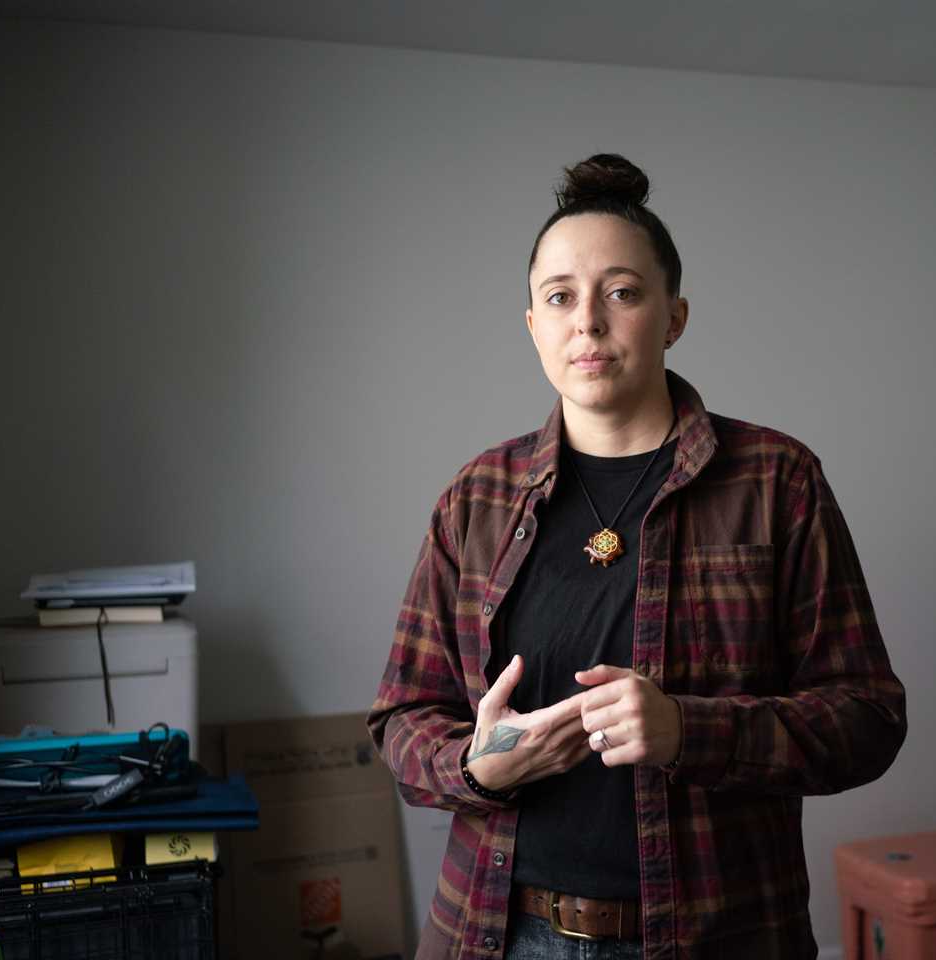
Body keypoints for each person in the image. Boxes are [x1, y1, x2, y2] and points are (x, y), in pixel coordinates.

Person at [368, 154, 907, 960]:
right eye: (559, 298)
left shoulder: (774, 480)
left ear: (673, 316)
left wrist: (690, 730)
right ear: (533, 325)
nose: (587, 321)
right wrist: (477, 767)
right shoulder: (475, 498)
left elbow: (867, 718)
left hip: (716, 936)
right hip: (498, 933)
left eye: (621, 292)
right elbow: (401, 721)